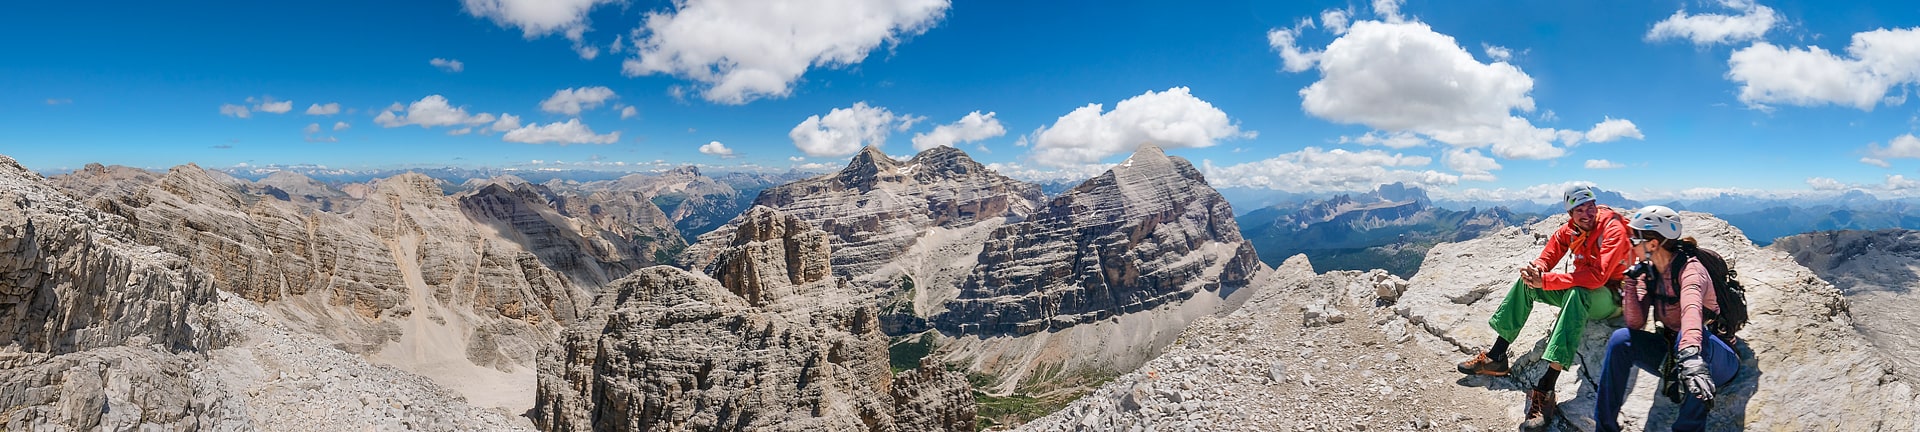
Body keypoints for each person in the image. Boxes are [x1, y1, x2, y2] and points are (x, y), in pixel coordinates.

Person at [1455, 185, 1629, 431]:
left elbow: (1598, 277)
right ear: (1570, 214)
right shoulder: (1570, 230)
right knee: (1527, 285)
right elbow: (1548, 257)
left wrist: (1547, 281)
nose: (1587, 214)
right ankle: (1497, 356)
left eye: (1590, 207)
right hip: (1582, 290)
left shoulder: (1612, 227)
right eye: (1579, 210)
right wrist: (1536, 271)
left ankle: (1546, 386)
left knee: (1577, 293)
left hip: (1612, 297)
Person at [1593, 205, 1740, 432]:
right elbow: (1634, 323)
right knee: (1621, 339)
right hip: (1678, 354)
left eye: (1635, 240)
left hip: (1713, 360)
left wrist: (1691, 356)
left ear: (1653, 244)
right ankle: (1605, 427)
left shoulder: (1691, 271)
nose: (1630, 245)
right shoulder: (1652, 271)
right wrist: (1631, 282)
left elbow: (1692, 311)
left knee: (1689, 336)